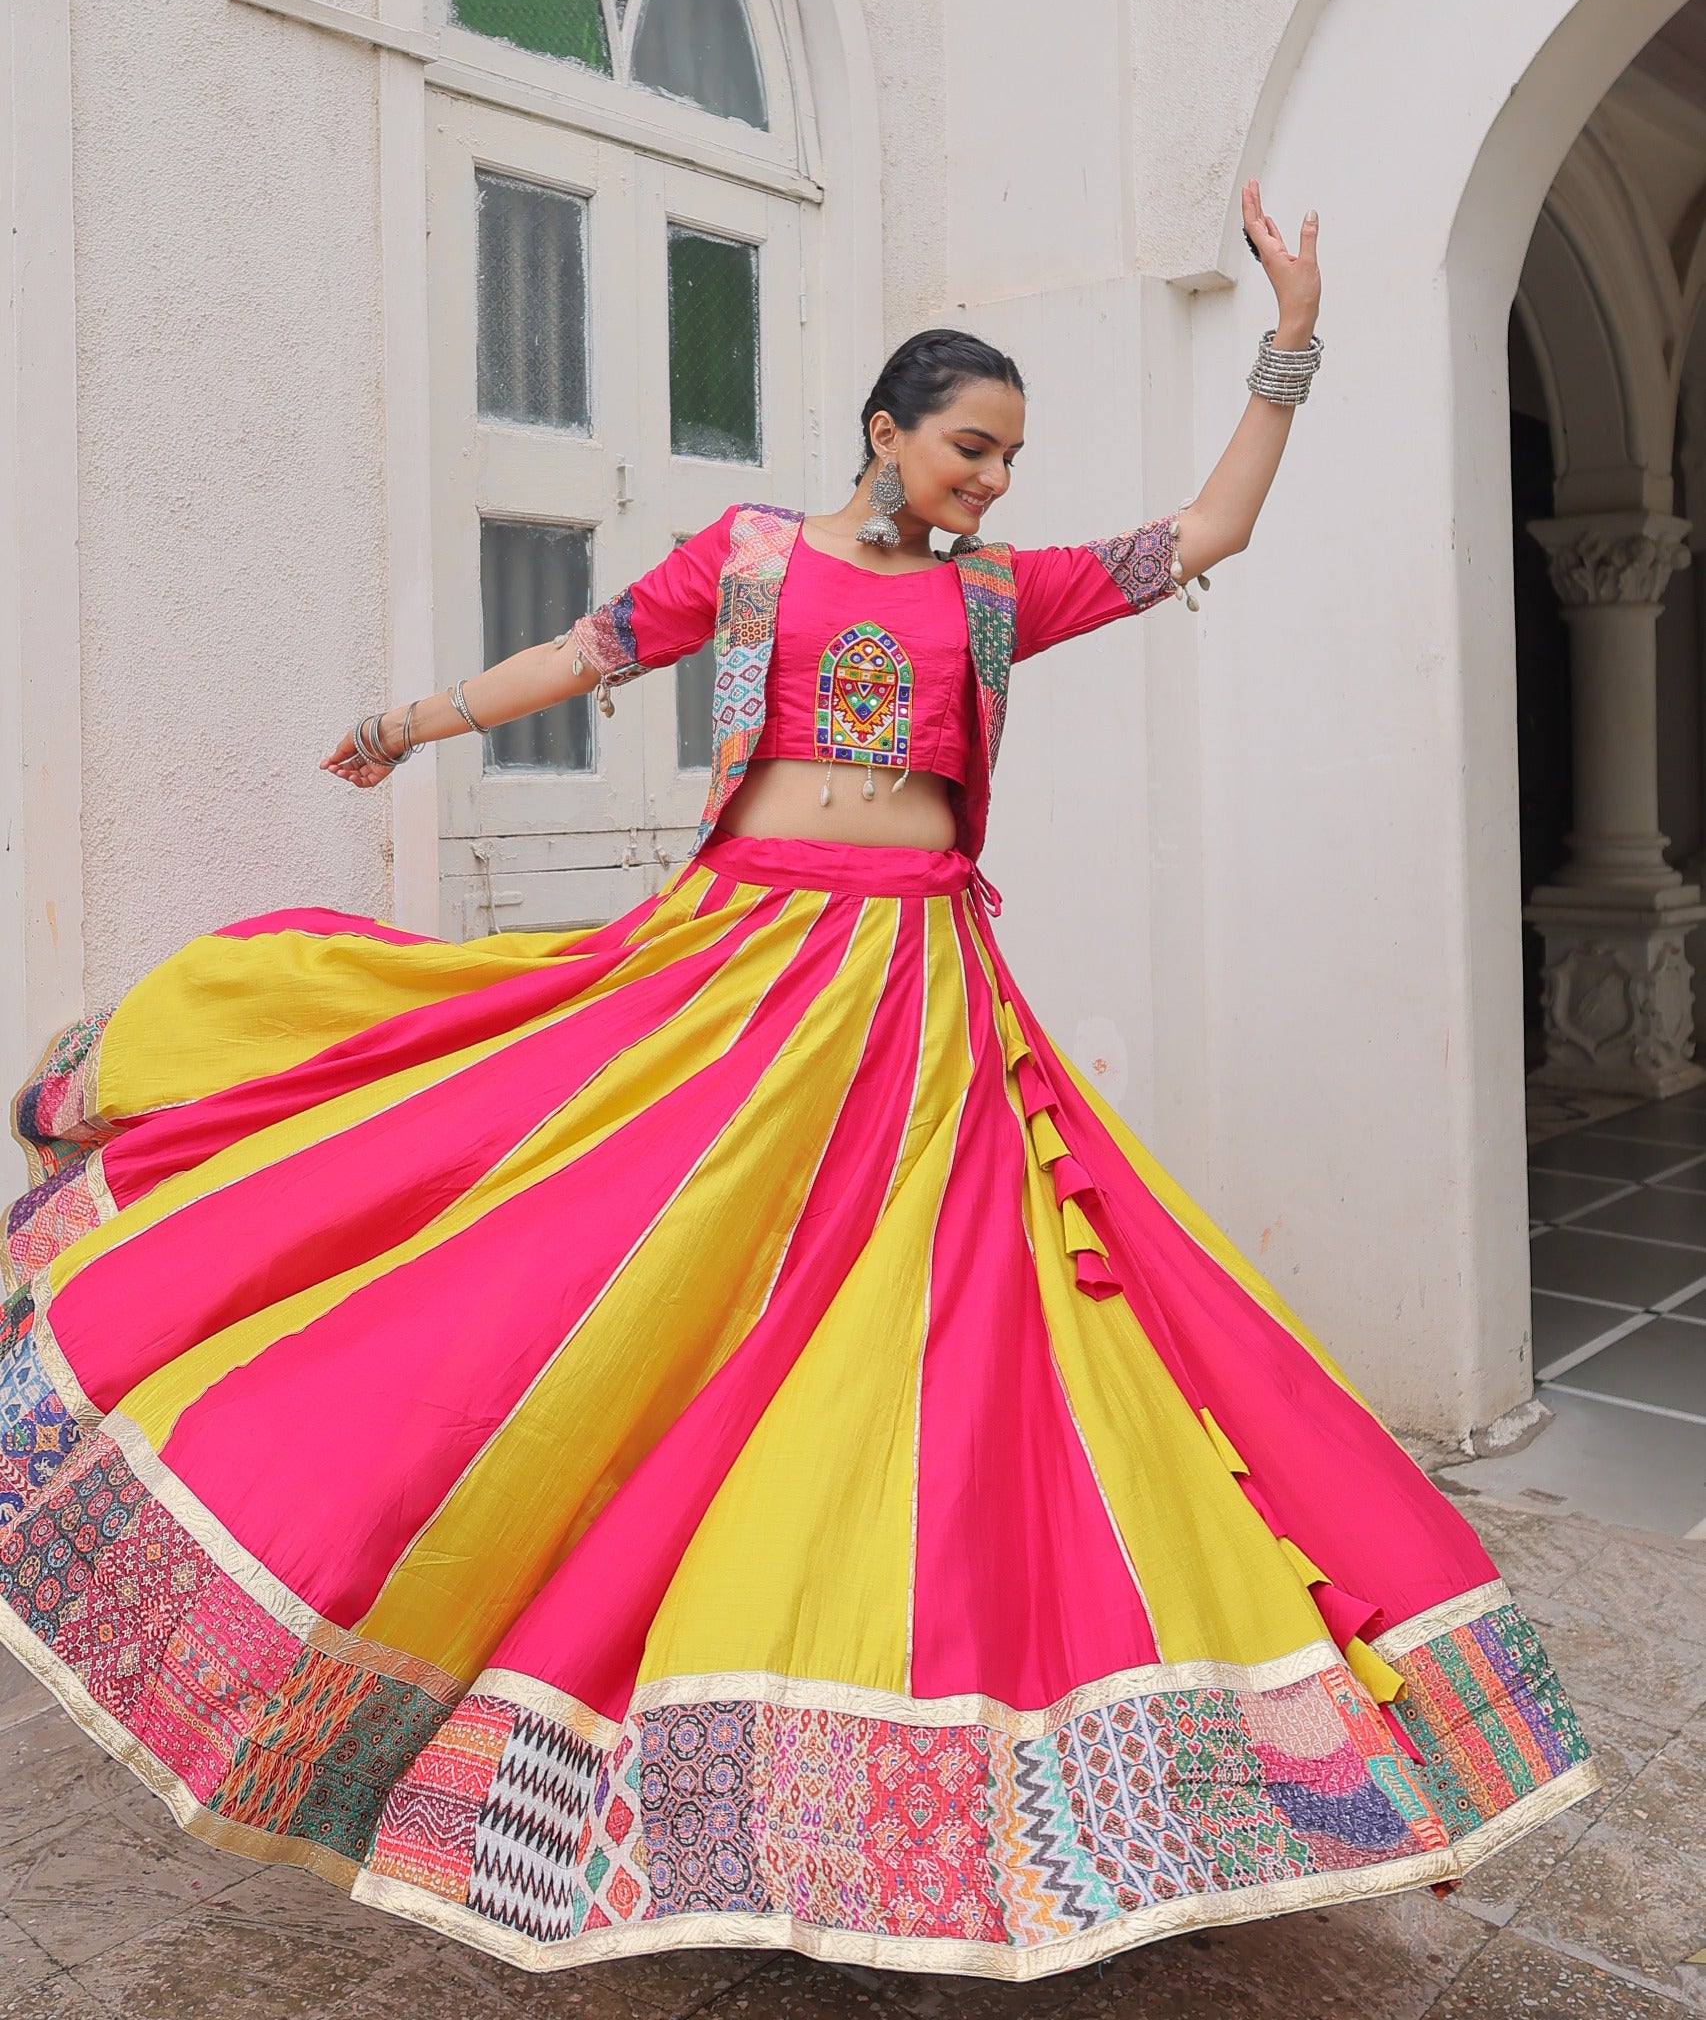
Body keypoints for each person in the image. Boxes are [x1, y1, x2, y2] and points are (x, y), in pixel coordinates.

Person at [1, 183, 1590, 1983]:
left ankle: (853, 1701)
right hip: (738, 961)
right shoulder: (751, 558)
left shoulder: (1002, 593)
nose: (991, 481)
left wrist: (1286, 340)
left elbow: (1203, 531)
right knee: (595, 1251)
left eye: (1007, 458)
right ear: (885, 431)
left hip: (917, 986)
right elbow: (589, 656)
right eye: (968, 449)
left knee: (912, 1327)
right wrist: (414, 723)